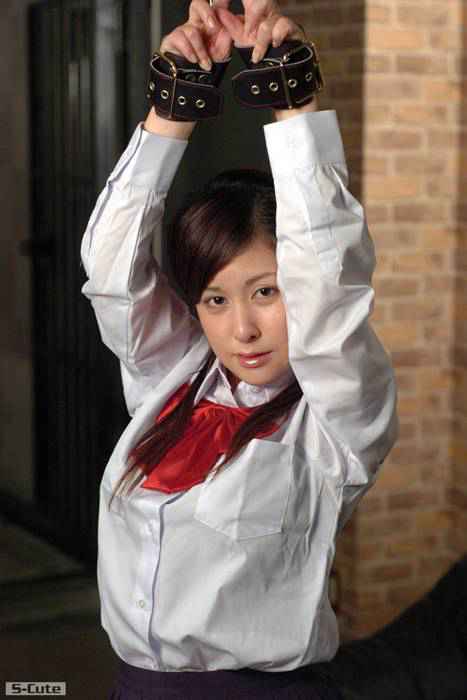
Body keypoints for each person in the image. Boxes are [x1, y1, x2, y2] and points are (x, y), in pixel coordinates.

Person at [80, 1, 398, 698]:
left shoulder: (337, 419)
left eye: (266, 292)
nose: (242, 329)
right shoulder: (172, 383)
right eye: (216, 300)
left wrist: (294, 102)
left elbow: (329, 282)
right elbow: (110, 272)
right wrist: (175, 105)